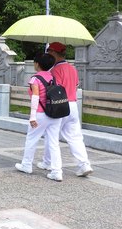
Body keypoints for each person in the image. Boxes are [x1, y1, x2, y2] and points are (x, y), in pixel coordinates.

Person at [39, 42, 93, 177]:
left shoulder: (54, 70)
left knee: (51, 135)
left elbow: (53, 89)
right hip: (73, 104)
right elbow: (76, 85)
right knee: (75, 137)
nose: (47, 55)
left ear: (53, 53)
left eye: (48, 52)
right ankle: (84, 164)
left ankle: (48, 163)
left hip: (59, 104)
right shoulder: (72, 68)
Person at [15, 52, 63, 181]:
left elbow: (35, 97)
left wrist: (32, 116)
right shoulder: (53, 77)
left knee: (32, 139)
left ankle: (26, 165)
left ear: (37, 64)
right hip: (54, 113)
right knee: (54, 143)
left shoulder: (35, 79)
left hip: (40, 114)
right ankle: (57, 171)